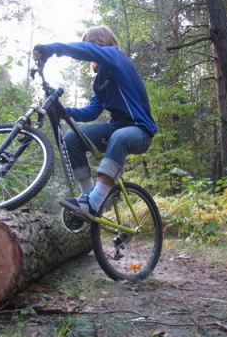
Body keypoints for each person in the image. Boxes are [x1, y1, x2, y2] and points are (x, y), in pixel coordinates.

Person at [33, 26, 157, 230]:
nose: (91, 48)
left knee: (120, 136)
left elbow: (88, 51)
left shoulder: (115, 56)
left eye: (93, 44)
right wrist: (65, 110)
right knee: (73, 138)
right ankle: (88, 196)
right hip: (115, 126)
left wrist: (53, 48)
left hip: (141, 130)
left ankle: (96, 200)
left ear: (104, 43)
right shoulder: (99, 82)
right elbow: (92, 112)